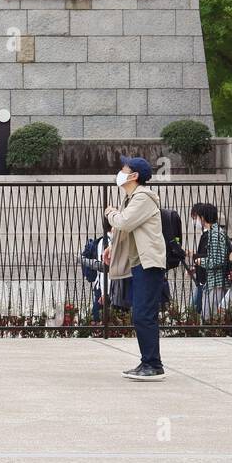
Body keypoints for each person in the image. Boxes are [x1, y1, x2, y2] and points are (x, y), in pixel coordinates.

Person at [103, 156, 167, 381]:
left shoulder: (143, 198)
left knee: (144, 314)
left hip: (148, 263)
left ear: (134, 176)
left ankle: (153, 365)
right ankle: (148, 362)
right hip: (139, 263)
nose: (120, 171)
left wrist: (109, 212)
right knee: (141, 313)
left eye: (124, 168)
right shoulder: (131, 198)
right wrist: (111, 247)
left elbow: (123, 222)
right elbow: (125, 229)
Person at [189, 203, 228, 318]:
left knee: (210, 317)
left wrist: (200, 261)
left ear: (203, 217)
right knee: (207, 315)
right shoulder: (214, 232)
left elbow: (218, 260)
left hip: (216, 282)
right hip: (211, 281)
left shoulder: (214, 234)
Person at [80, 216, 112, 324]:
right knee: (101, 321)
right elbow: (104, 270)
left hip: (107, 288)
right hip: (105, 289)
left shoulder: (109, 241)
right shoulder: (105, 243)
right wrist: (105, 293)